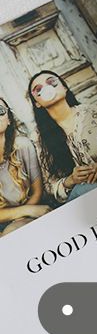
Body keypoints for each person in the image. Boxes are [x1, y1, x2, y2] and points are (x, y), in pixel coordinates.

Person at [28, 70, 97, 204]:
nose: (47, 89)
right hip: (81, 191)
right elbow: (49, 185)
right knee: (89, 187)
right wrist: (71, 180)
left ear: (64, 88)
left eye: (52, 82)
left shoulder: (93, 112)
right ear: (37, 103)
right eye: (38, 89)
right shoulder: (38, 137)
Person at [0, 97, 51, 235]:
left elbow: (37, 191)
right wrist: (24, 211)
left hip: (33, 208)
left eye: (0, 110)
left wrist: (25, 213)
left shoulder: (23, 146)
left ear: (9, 120)